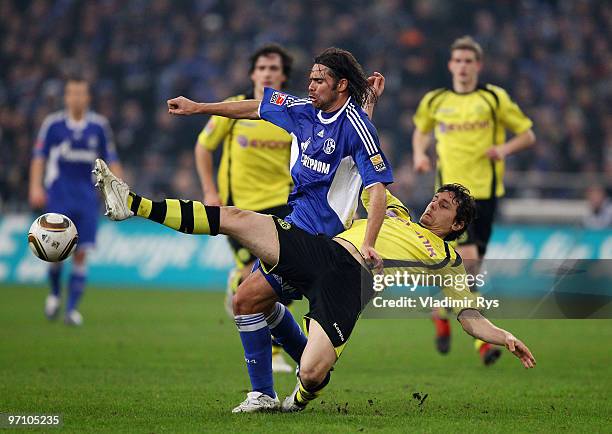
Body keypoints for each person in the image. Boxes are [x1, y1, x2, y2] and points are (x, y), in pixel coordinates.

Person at [93, 159, 537, 412]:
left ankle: (299, 396)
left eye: (442, 208)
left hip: (351, 285)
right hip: (325, 251)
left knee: (311, 371)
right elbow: (364, 166)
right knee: (236, 220)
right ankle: (133, 203)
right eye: (434, 200)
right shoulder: (395, 211)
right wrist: (366, 109)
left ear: (456, 224)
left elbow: (470, 317)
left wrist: (506, 336)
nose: (431, 208)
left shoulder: (448, 260)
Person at [167, 47, 390, 412]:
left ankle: (271, 388)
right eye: (311, 77)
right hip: (294, 226)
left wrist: (368, 242)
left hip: (320, 244)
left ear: (341, 85)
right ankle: (289, 374)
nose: (311, 84)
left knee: (246, 296)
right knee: (249, 300)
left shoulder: (357, 128)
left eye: (320, 79)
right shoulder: (304, 109)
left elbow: (377, 190)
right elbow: (254, 107)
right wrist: (198, 107)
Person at [412, 36, 536, 364]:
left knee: (471, 270)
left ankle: (441, 311)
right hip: (452, 202)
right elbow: (421, 130)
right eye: (459, 61)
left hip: (488, 195)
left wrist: (503, 150)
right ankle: (482, 342)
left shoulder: (494, 99)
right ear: (451, 65)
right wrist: (419, 153)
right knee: (466, 264)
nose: (464, 66)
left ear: (478, 66)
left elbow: (527, 134)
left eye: (470, 61)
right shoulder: (436, 100)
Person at [194, 44, 295, 372]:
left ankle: (277, 353)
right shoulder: (234, 108)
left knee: (278, 274)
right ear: (253, 74)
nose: (267, 72)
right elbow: (203, 147)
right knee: (256, 273)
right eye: (262, 67)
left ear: (283, 76)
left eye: (273, 68)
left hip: (281, 203)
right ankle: (276, 351)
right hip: (240, 207)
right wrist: (210, 191)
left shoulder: (291, 112)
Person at [28, 76, 123, 326]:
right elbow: (39, 157)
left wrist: (118, 192)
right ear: (66, 97)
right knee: (56, 254)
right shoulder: (53, 125)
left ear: (88, 97)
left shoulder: (99, 126)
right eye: (72, 93)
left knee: (81, 254)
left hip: (87, 198)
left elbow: (111, 159)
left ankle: (71, 310)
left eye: (81, 93)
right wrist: (35, 186)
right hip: (59, 196)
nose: (76, 98)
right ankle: (55, 294)